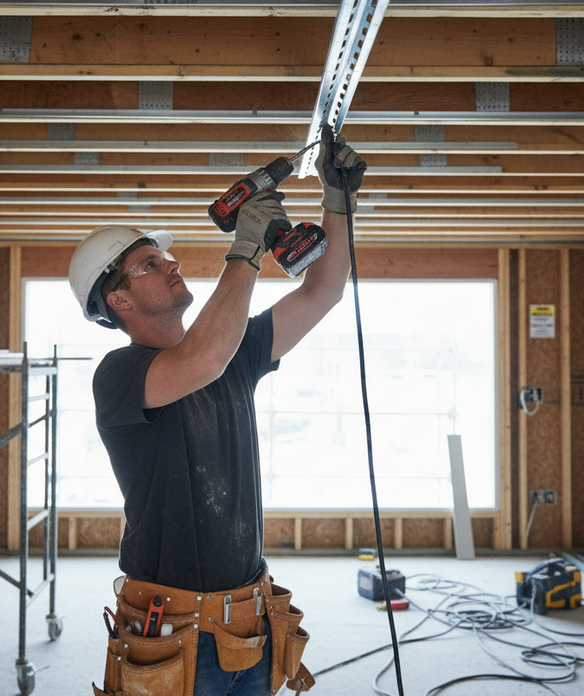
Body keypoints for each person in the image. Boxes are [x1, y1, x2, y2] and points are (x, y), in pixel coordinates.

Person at [70, 127, 366, 696]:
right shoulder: (119, 375)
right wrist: (246, 248)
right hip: (169, 630)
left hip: (249, 618)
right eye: (149, 263)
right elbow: (201, 358)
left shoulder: (236, 352)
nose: (171, 264)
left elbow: (321, 294)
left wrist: (338, 201)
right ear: (120, 301)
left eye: (165, 255)